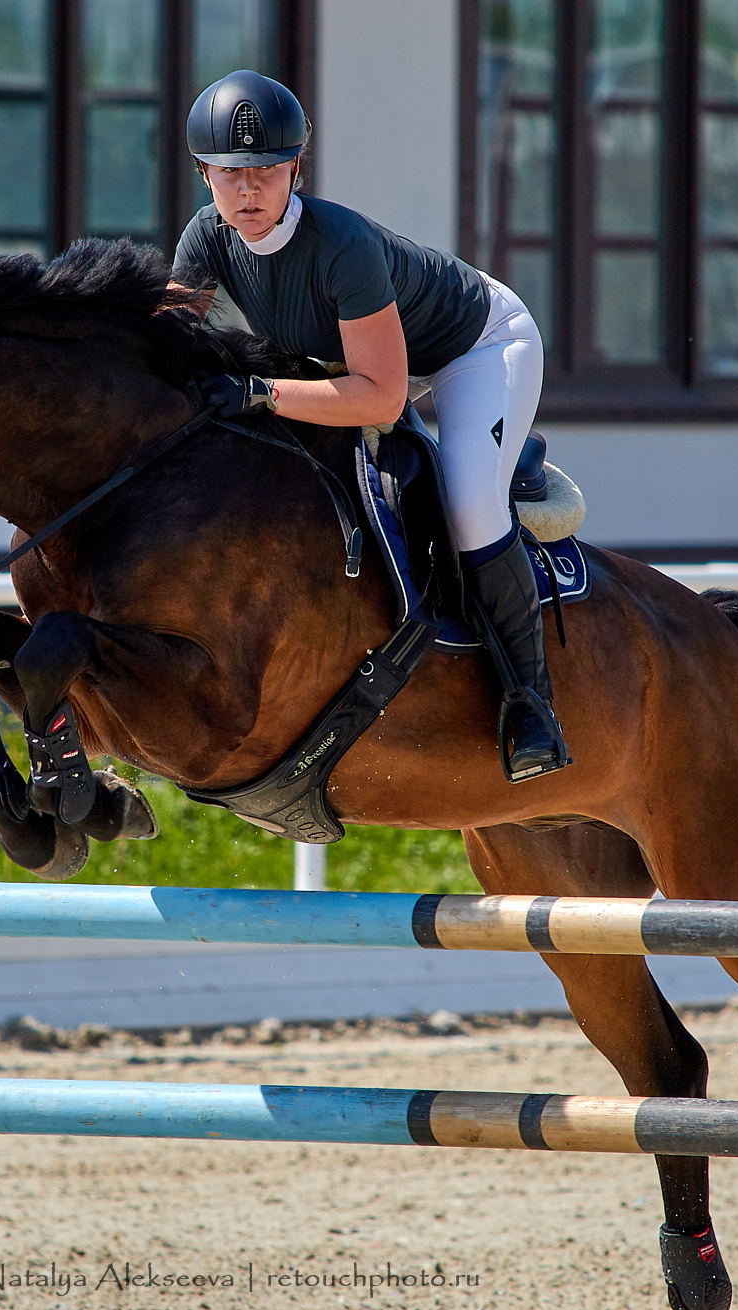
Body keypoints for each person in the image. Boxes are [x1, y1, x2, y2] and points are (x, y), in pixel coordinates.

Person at [171, 69, 568, 782]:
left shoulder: (340, 244)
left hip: (477, 347)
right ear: (204, 176)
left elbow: (383, 399)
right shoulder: (206, 238)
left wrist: (260, 392)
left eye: (265, 169)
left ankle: (529, 703)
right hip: (365, 361)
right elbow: (162, 352)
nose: (249, 190)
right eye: (230, 173)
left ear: (297, 167)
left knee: (470, 506)